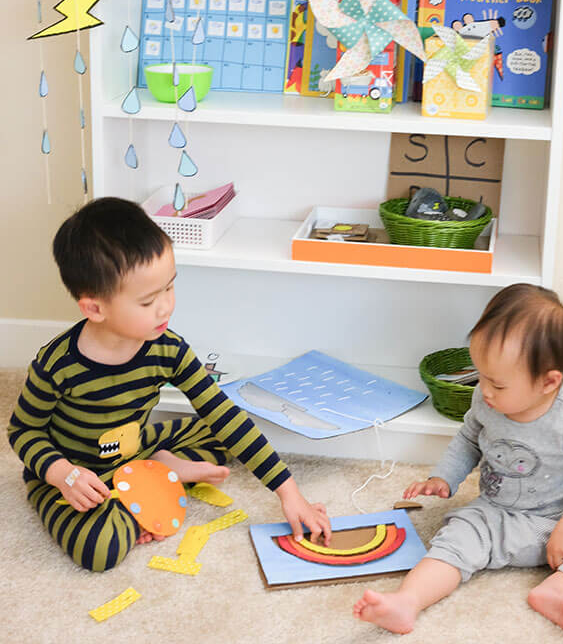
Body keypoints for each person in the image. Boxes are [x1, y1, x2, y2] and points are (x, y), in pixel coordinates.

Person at [8, 197, 331, 571]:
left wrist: (289, 494)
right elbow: (24, 430)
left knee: (221, 435)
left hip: (135, 449)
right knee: (99, 550)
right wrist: (61, 473)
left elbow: (224, 415)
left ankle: (157, 470)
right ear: (94, 308)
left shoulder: (169, 348)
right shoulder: (57, 364)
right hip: (74, 474)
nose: (165, 307)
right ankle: (148, 489)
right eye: (148, 301)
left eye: (169, 288)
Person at [354, 283, 563, 636]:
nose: (484, 390)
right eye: (481, 376)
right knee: (455, 538)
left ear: (548, 382)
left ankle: (561, 587)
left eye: (498, 385)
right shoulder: (485, 403)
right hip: (497, 519)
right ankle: (406, 602)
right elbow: (469, 439)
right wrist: (444, 477)